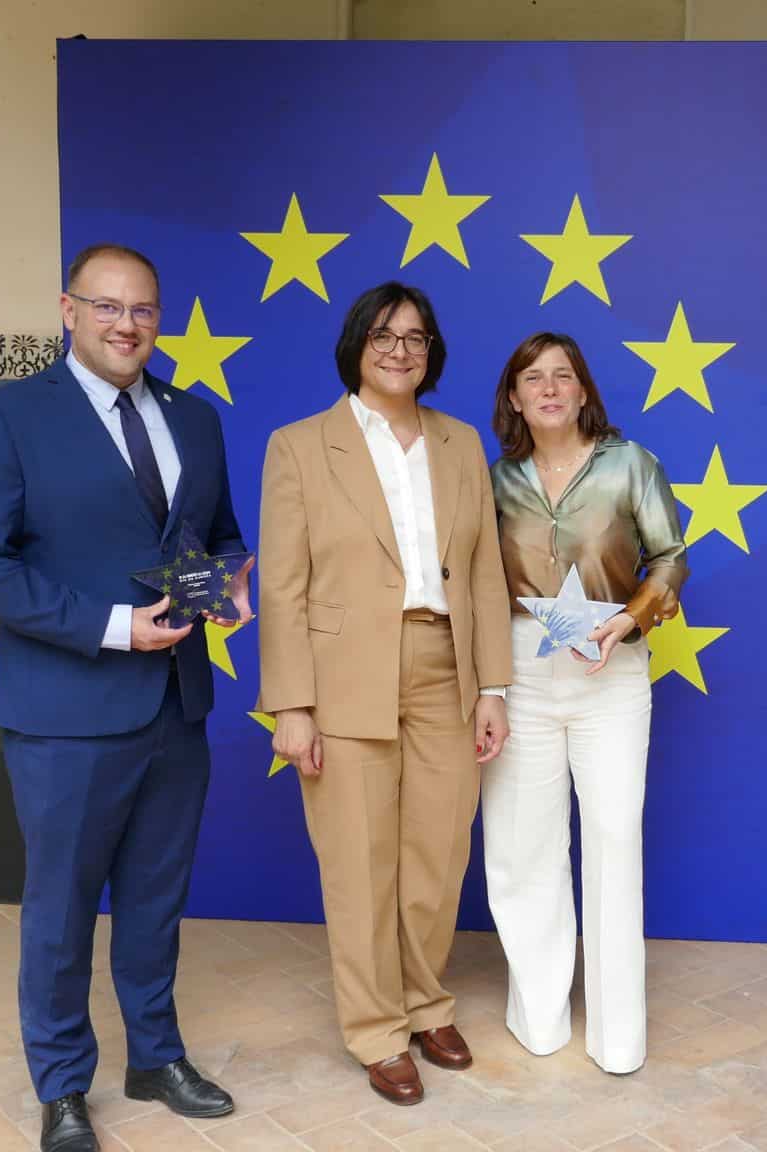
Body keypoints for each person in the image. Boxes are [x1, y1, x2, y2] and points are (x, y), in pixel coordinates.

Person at [0, 244, 249, 1152]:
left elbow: (219, 536)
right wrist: (114, 626)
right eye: (108, 306)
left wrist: (225, 585)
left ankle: (155, 1057)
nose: (127, 325)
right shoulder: (5, 417)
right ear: (68, 310)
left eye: (144, 309)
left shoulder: (195, 419)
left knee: (156, 899)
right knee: (62, 911)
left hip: (175, 705)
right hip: (66, 711)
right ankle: (62, 1085)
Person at [256, 281, 512, 1106]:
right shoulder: (300, 446)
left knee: (437, 854)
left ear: (431, 351)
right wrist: (293, 705)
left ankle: (425, 1003)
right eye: (383, 335)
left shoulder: (461, 443)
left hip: (447, 665)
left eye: (415, 337)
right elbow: (283, 585)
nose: (400, 350)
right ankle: (376, 1029)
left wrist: (493, 686)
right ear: (356, 346)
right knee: (359, 859)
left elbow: (484, 573)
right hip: (344, 675)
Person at [481, 331, 686, 1075]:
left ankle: (617, 1033)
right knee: (522, 846)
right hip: (521, 674)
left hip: (612, 673)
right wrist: (488, 687)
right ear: (514, 397)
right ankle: (537, 1014)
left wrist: (630, 619)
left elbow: (670, 558)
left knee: (612, 840)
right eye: (532, 378)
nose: (549, 388)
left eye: (562, 375)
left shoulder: (631, 464)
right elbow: (476, 582)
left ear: (583, 390)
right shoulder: (495, 480)